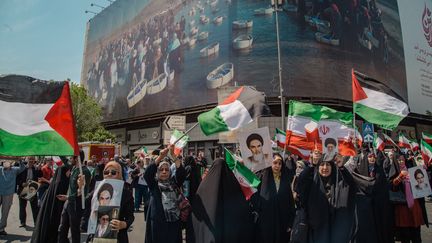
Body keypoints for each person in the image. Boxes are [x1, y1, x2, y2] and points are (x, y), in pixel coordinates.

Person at [295, 157, 357, 243]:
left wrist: (342, 167)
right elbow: (301, 181)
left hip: (335, 232)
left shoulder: (338, 184)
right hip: (316, 232)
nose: (325, 168)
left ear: (332, 167)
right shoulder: (311, 184)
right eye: (322, 165)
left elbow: (351, 185)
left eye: (328, 164)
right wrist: (312, 165)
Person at [84, 161, 135, 243]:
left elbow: (130, 216)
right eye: (106, 172)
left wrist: (123, 224)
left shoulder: (126, 193)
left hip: (117, 236)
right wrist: (80, 189)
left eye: (113, 172)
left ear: (119, 174)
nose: (109, 174)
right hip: (96, 235)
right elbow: (84, 204)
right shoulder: (96, 190)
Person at [144, 145, 186, 243]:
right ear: (157, 172)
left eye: (167, 170)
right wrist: (160, 157)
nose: (164, 172)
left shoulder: (174, 183)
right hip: (158, 223)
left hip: (174, 223)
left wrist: (173, 156)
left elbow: (182, 173)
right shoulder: (154, 184)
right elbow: (147, 174)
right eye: (161, 169)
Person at [252, 153, 296, 243]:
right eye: (275, 163)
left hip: (282, 223)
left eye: (280, 163)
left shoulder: (285, 181)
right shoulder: (261, 178)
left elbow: (290, 203)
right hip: (265, 224)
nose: (277, 166)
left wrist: (290, 223)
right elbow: (254, 199)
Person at [389, 155, 429, 243]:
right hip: (402, 206)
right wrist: (400, 176)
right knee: (405, 234)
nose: (401, 162)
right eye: (399, 160)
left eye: (403, 160)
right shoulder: (394, 170)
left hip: (415, 205)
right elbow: (391, 186)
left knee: (416, 233)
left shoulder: (412, 169)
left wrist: (424, 172)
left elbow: (422, 183)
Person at [57, 156, 92, 243]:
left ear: (76, 159)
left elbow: (83, 192)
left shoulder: (84, 171)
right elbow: (65, 161)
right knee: (62, 227)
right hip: (68, 203)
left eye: (71, 158)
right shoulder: (73, 168)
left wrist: (68, 197)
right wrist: (59, 151)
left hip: (76, 204)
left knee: (74, 229)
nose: (70, 160)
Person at [0, 160, 25, 236]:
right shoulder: (0, 169)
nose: (6, 163)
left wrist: (19, 159)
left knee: (5, 212)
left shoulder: (14, 170)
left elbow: (23, 167)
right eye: (5, 162)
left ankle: (1, 228)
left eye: (8, 162)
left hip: (8, 194)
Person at [16, 157, 42, 227]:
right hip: (23, 189)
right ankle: (22, 222)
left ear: (34, 161)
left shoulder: (36, 169)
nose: (31, 161)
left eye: (32, 160)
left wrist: (39, 170)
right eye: (30, 159)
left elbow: (40, 176)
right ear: (27, 160)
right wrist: (21, 183)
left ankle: (36, 223)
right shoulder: (22, 168)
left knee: (34, 208)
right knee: (22, 207)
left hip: (32, 190)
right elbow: (17, 179)